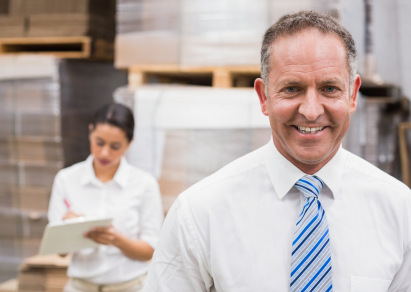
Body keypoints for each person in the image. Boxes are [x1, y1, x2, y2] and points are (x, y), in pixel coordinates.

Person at [143, 10, 411, 292]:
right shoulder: (200, 213)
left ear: (352, 95)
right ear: (264, 97)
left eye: (329, 88)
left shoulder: (401, 211)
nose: (310, 111)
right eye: (292, 88)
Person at [48, 103, 164, 292]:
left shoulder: (145, 184)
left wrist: (115, 239)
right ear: (90, 131)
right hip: (80, 287)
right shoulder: (66, 180)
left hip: (130, 287)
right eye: (99, 142)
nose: (104, 153)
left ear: (130, 142)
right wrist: (67, 230)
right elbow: (59, 252)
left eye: (115, 146)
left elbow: (150, 251)